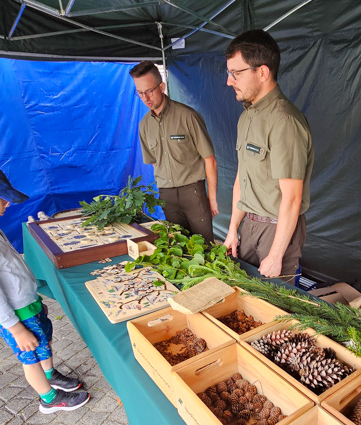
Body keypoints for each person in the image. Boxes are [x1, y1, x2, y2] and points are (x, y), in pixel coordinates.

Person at [0, 159, 90, 414]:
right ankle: (48, 398)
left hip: (28, 304)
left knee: (43, 342)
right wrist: (15, 329)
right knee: (30, 356)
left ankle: (51, 374)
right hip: (15, 317)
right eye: (2, 198)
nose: (7, 203)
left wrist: (35, 298)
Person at [223, 29, 314, 279]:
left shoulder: (284, 120)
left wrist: (275, 256)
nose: (229, 80)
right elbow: (242, 177)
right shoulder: (247, 117)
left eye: (236, 73)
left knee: (275, 311)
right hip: (249, 227)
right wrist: (233, 229)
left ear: (262, 72)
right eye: (229, 73)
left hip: (277, 231)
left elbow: (292, 199)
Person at [130, 61, 218, 243]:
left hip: (193, 192)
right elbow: (155, 162)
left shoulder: (188, 117)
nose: (146, 98)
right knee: (179, 247)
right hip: (167, 195)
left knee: (206, 247)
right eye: (140, 93)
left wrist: (213, 199)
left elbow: (210, 159)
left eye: (149, 91)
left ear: (161, 87)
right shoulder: (144, 125)